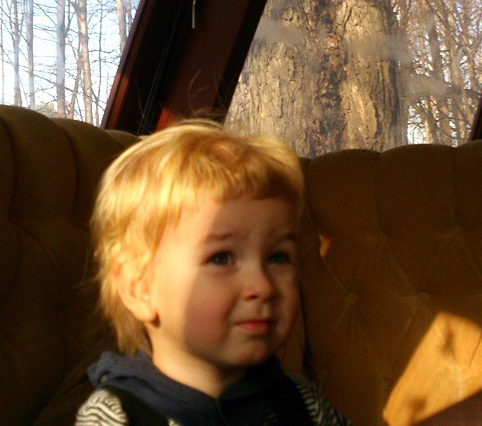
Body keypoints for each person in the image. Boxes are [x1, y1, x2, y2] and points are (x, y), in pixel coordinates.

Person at [76, 120, 352, 425]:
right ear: (139, 288)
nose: (263, 286)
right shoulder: (116, 416)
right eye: (221, 258)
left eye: (278, 257)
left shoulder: (302, 402)